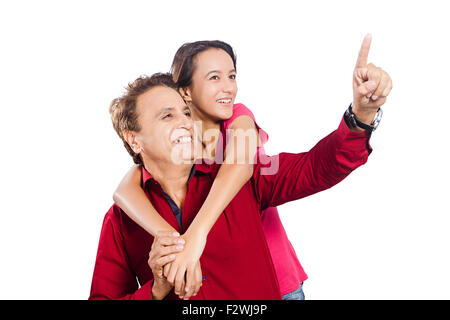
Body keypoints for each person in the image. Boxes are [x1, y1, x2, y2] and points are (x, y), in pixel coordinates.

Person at [89, 35, 392, 299]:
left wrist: (361, 115)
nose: (184, 122)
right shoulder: (120, 221)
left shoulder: (241, 164)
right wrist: (155, 291)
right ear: (134, 139)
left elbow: (316, 167)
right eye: (167, 116)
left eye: (184, 114)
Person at [113, 40, 307, 300]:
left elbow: (240, 166)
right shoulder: (179, 142)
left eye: (232, 76)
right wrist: (178, 244)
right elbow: (126, 189)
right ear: (185, 91)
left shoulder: (236, 120)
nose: (228, 87)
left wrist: (194, 237)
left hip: (278, 279)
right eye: (214, 77)